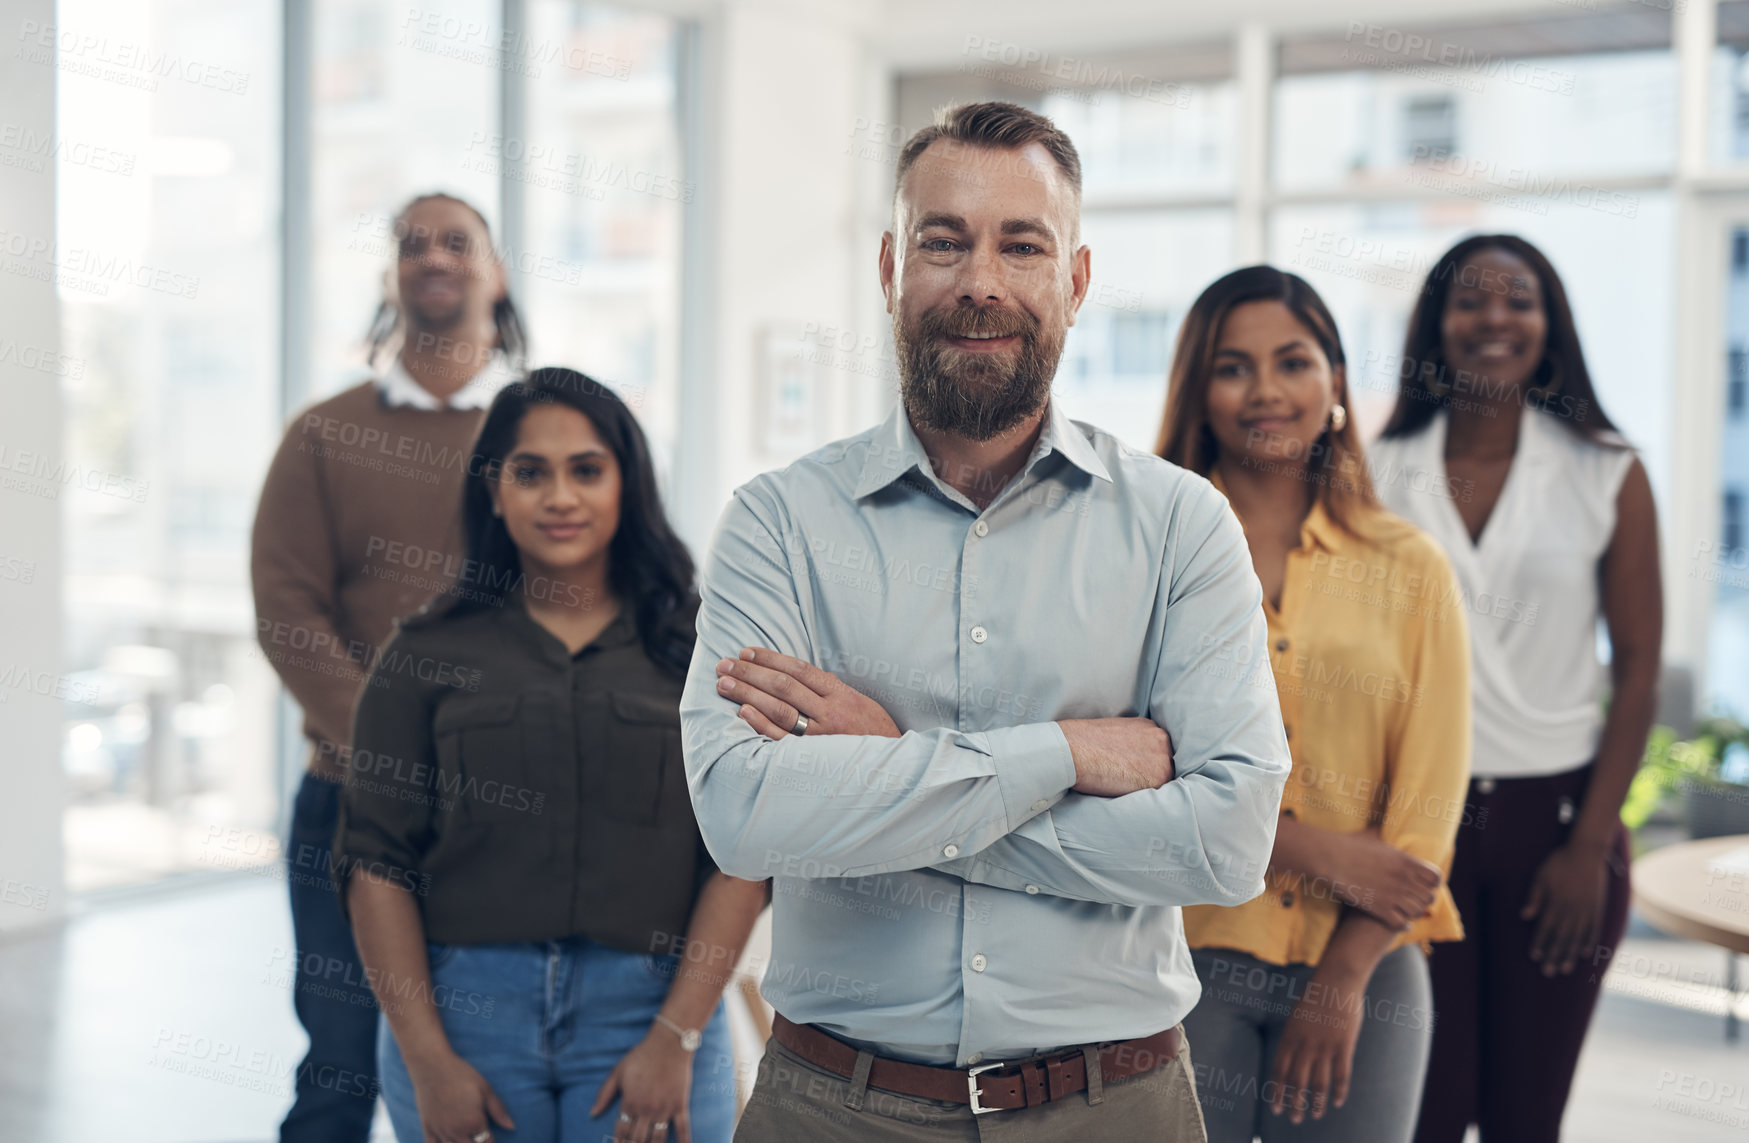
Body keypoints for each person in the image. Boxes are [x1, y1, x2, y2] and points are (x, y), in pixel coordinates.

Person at [677, 100, 1292, 1142]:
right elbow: (745, 817)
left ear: (1077, 281)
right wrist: (1062, 754)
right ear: (887, 269)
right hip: (832, 1106)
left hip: (1116, 1108)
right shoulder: (776, 524)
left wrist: (897, 770)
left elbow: (1227, 844)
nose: (980, 283)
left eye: (1022, 245)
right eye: (943, 242)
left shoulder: (1181, 523)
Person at [334, 369, 768, 1143]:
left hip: (653, 1010)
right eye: (529, 472)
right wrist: (428, 1060)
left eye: (586, 470)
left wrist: (675, 1037)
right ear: (493, 491)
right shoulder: (424, 652)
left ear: (626, 484)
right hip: (465, 1013)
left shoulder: (703, 651)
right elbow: (375, 864)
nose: (559, 496)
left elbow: (740, 856)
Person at [1156, 266, 1472, 1143]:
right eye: (1232, 367)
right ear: (1199, 390)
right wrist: (1310, 846)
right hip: (1182, 951)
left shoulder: (1410, 566)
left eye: (1292, 361)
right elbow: (1130, 768)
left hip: (1365, 961)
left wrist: (1341, 977)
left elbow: (1428, 801)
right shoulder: (1150, 556)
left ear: (1333, 380)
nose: (1265, 390)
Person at [1366, 235, 1662, 1143]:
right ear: (1435, 324)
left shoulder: (1605, 467)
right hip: (1417, 824)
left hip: (1558, 829)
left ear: (1549, 323)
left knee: (1524, 1119)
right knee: (1426, 1106)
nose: (1494, 318)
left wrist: (1587, 847)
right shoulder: (1376, 471)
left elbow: (1639, 667)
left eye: (1518, 300)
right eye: (1469, 300)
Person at [251, 192, 525, 1142]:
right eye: (412, 243)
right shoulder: (324, 435)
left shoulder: (548, 442)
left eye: (457, 240)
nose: (432, 256)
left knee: (497, 1074)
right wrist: (399, 746)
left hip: (508, 812)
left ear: (496, 272)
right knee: (337, 1070)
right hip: (349, 804)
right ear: (391, 276)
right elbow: (287, 613)